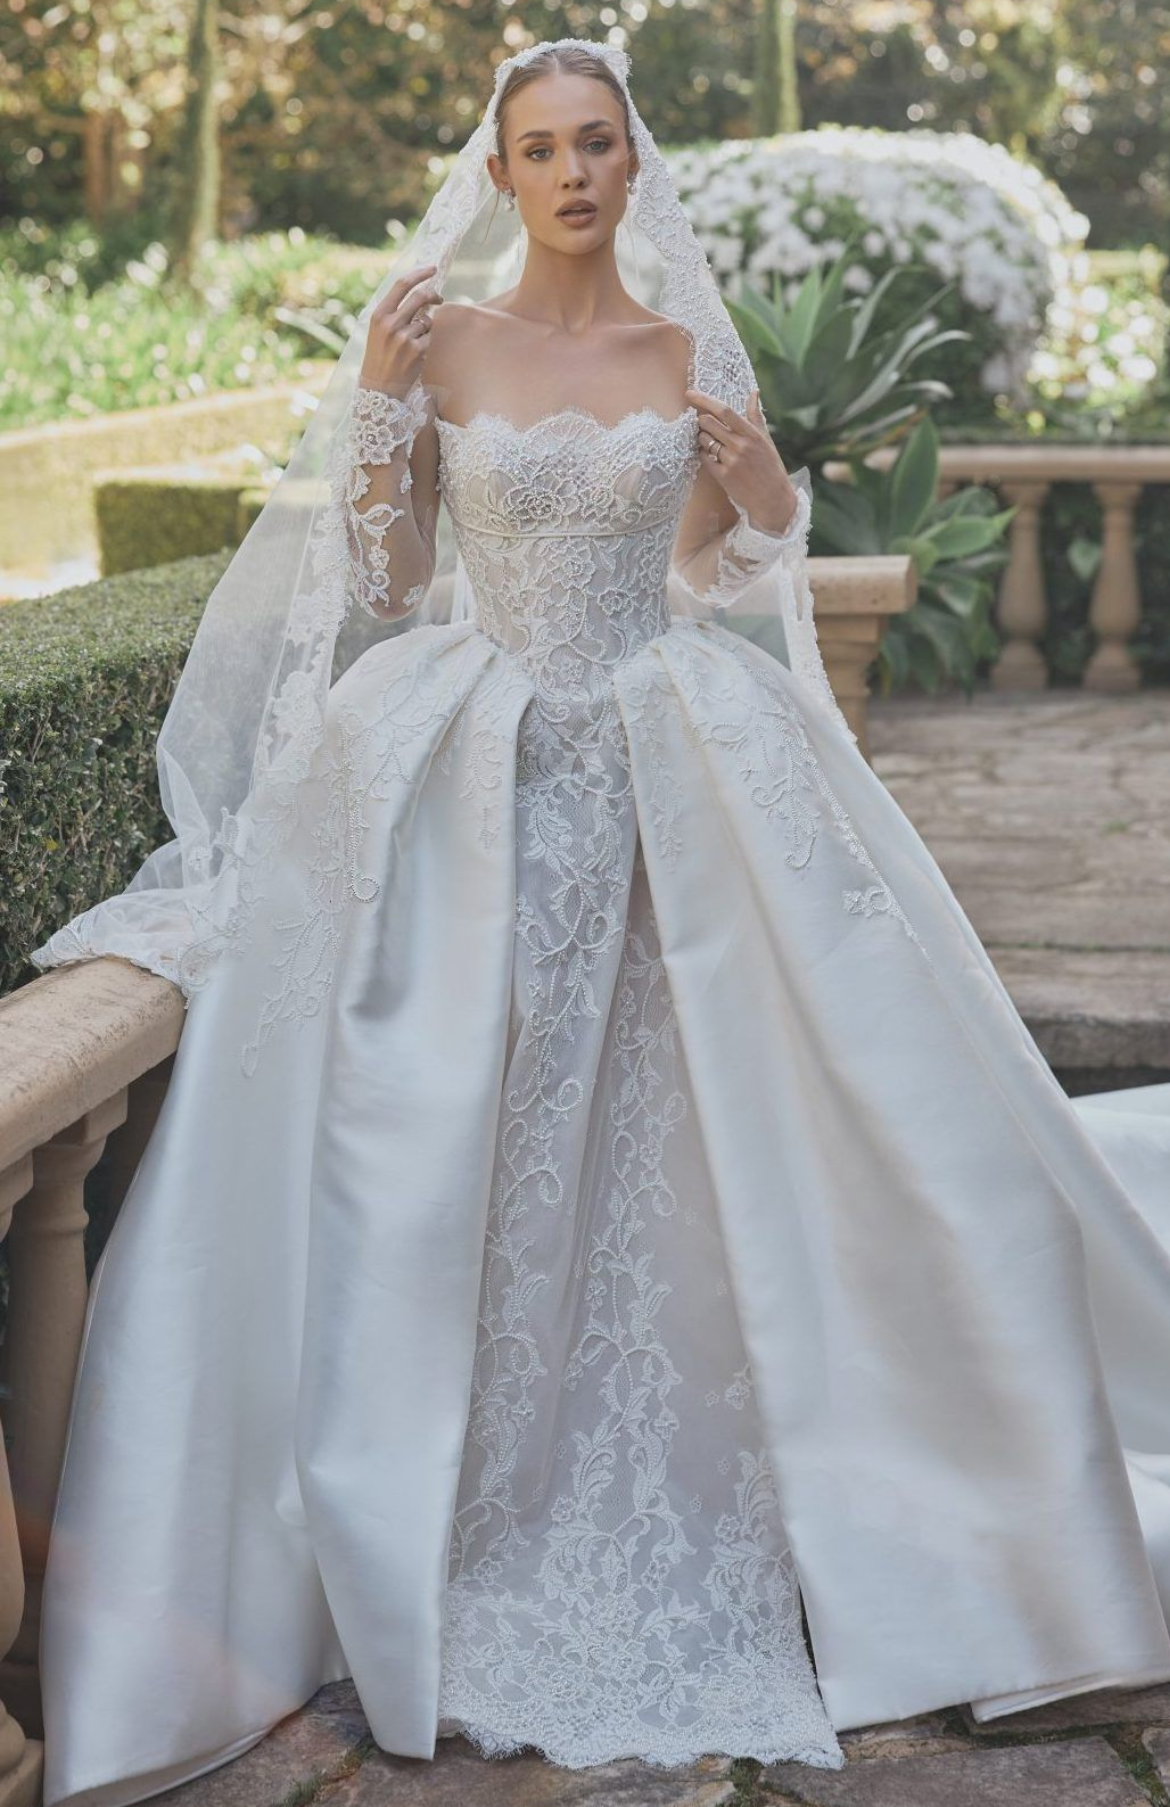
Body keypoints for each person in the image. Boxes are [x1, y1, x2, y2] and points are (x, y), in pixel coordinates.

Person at [29, 36, 1170, 1807]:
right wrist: (379, 414)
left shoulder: (677, 351)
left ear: (637, 163)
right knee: (466, 1127)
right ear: (498, 172)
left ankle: (806, 1478)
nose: (570, 172)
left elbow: (727, 560)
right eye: (539, 148)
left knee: (688, 1122)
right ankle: (459, 1493)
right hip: (477, 764)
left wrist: (765, 486)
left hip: (659, 765)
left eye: (596, 144)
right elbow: (389, 581)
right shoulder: (443, 334)